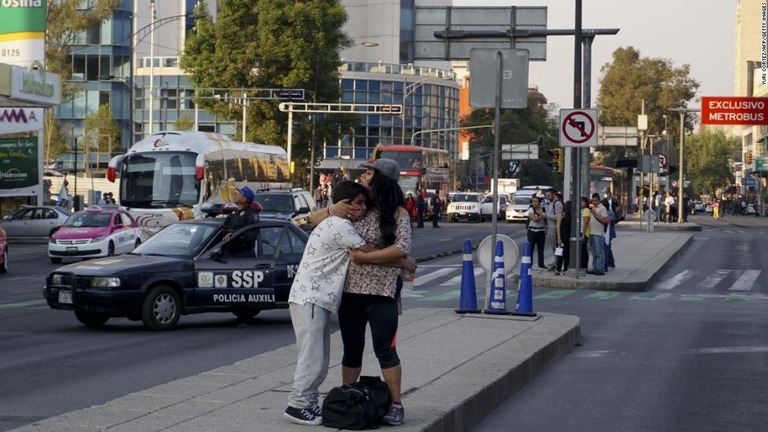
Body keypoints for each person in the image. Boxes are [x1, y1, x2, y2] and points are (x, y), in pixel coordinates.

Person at [323, 158, 412, 426]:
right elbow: (343, 243)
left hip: (383, 293)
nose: (363, 176)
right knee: (352, 349)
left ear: (381, 179)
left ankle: (396, 404)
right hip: (350, 292)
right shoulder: (355, 208)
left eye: (369, 173)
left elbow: (402, 248)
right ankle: (348, 396)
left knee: (385, 350)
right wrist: (396, 262)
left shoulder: (398, 213)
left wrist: (366, 258)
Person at [586, 193, 608, 275]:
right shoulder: (592, 208)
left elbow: (604, 220)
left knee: (599, 253)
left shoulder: (602, 208)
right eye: (593, 201)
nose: (594, 202)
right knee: (594, 253)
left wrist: (595, 213)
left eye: (595, 200)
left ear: (599, 200)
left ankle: (600, 268)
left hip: (598, 234)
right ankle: (595, 267)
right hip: (592, 233)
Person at [525, 196, 547, 269]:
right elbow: (534, 219)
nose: (534, 203)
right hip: (532, 231)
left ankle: (541, 264)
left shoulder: (543, 209)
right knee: (530, 248)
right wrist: (541, 216)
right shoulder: (531, 209)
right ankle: (529, 264)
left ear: (539, 202)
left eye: (536, 201)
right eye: (533, 201)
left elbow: (546, 219)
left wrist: (546, 228)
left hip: (541, 231)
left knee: (541, 248)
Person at [544, 188, 563, 270]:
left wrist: (546, 216)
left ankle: (557, 263)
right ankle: (556, 262)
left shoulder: (557, 204)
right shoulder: (551, 203)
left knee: (556, 247)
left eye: (549, 195)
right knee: (553, 247)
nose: (548, 197)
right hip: (551, 227)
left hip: (555, 228)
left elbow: (558, 217)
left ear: (553, 194)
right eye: (546, 196)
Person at [555, 200, 572, 275]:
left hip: (565, 236)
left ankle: (563, 269)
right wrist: (559, 238)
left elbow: (558, 226)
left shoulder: (569, 215)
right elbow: (558, 226)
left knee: (564, 254)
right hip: (563, 236)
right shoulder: (562, 215)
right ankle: (560, 269)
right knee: (562, 254)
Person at [579, 197, 591, 273]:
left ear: (586, 203)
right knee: (580, 250)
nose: (581, 203)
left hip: (583, 232)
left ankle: (584, 266)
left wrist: (583, 234)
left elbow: (585, 223)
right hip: (578, 232)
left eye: (583, 202)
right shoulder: (580, 210)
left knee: (583, 250)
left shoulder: (586, 210)